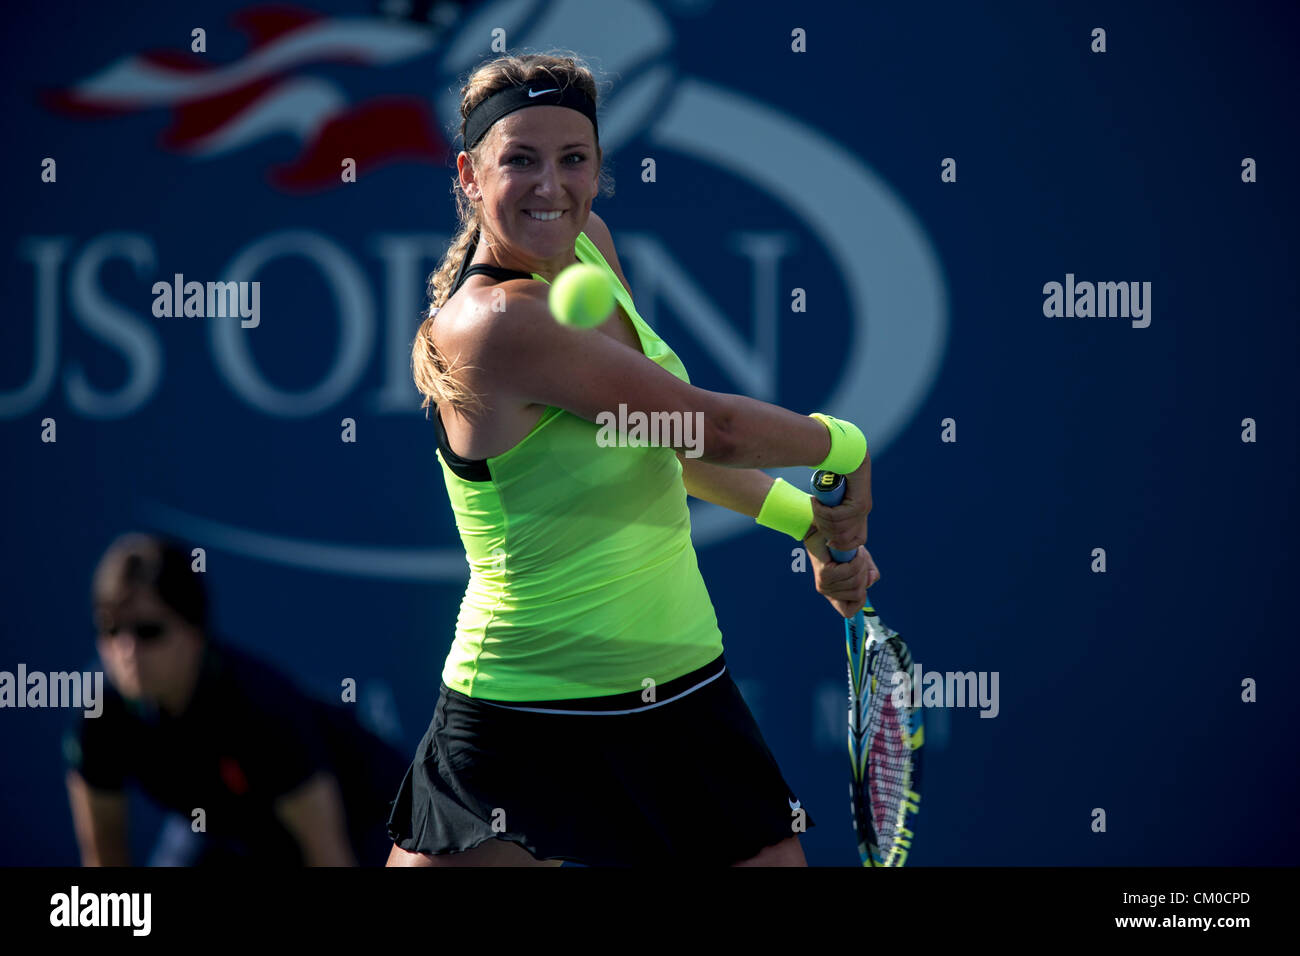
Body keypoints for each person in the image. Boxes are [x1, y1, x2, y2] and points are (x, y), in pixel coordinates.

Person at [387, 52, 878, 867]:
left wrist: (807, 524)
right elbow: (709, 430)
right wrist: (844, 446)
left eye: (573, 159)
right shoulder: (492, 325)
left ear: (599, 169)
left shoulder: (591, 247)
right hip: (522, 708)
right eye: (521, 160)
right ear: (470, 175)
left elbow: (665, 445)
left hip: (680, 681)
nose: (552, 186)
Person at [64, 533, 408, 866]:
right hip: (224, 827)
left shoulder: (260, 710)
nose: (126, 651)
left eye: (148, 631)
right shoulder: (99, 709)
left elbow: (328, 855)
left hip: (366, 822)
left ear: (195, 631)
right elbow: (102, 856)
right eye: (110, 629)